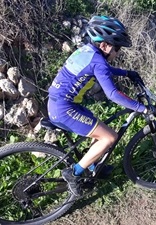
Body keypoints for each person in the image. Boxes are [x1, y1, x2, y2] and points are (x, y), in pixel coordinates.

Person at [47, 15, 148, 196]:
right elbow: (113, 95)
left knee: (99, 127)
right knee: (109, 137)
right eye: (117, 47)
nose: (118, 52)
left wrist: (126, 73)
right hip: (65, 109)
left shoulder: (87, 51)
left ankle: (92, 165)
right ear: (104, 45)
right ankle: (74, 173)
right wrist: (142, 108)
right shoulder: (98, 61)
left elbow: (101, 69)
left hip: (59, 104)